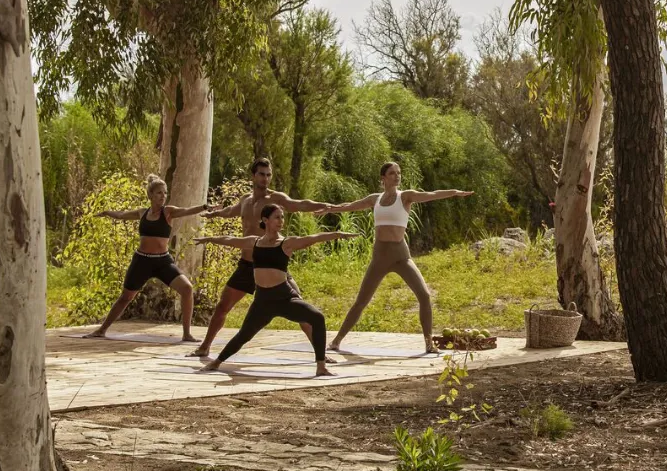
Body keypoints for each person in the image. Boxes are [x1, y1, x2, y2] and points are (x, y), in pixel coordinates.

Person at [188, 157, 335, 357]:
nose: (265, 178)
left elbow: (299, 204)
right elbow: (230, 211)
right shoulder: (245, 201)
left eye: (268, 175)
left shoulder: (275, 199)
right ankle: (204, 347)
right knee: (223, 306)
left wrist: (324, 205)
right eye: (261, 174)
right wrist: (214, 214)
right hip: (247, 266)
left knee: (301, 309)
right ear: (253, 175)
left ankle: (322, 355)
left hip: (271, 266)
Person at [326, 161, 473, 354]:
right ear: (383, 178)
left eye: (399, 173)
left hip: (401, 256)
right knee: (361, 301)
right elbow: (349, 206)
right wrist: (329, 208)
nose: (397, 176)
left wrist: (454, 192)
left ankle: (429, 344)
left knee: (424, 296)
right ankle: (336, 341)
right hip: (380, 256)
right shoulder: (375, 199)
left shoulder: (405, 197)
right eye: (392, 173)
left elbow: (431, 195)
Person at [195, 204, 357, 377]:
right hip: (262, 302)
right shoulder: (255, 242)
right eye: (277, 217)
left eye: (282, 217)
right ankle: (216, 362)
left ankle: (321, 366)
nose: (281, 221)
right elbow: (230, 240)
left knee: (317, 317)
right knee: (244, 335)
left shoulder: (287, 243)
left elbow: (314, 238)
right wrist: (209, 239)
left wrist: (338, 234)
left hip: (284, 298)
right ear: (265, 220)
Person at [83, 174, 212, 340]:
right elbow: (122, 215)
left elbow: (187, 211)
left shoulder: (168, 212)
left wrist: (205, 206)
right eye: (159, 193)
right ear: (150, 195)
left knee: (187, 289)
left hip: (162, 262)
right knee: (126, 297)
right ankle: (101, 330)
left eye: (165, 193)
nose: (163, 196)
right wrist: (107, 212)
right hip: (142, 261)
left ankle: (187, 334)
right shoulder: (142, 213)